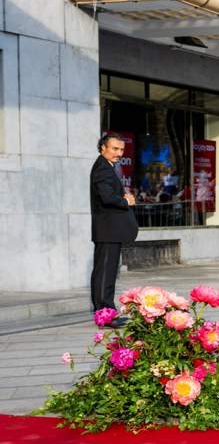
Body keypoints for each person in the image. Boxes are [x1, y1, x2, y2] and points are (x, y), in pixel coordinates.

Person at [90, 134, 139, 318]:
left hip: (110, 230)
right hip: (107, 229)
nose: (119, 153)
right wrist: (126, 201)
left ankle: (106, 311)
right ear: (103, 147)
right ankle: (103, 313)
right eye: (114, 149)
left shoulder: (107, 166)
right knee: (105, 273)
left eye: (121, 149)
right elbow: (107, 197)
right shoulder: (102, 168)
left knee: (108, 272)